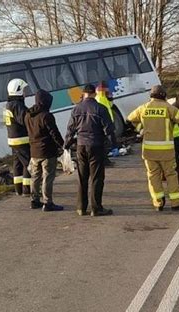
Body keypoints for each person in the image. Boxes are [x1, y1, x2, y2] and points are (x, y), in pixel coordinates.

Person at [127, 85, 179, 211]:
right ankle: (176, 203)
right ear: (163, 95)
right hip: (166, 151)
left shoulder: (144, 108)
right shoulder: (168, 108)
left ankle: (158, 202)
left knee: (153, 176)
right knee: (171, 175)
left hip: (149, 151)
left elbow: (129, 119)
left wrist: (140, 129)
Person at [65, 84, 117, 217]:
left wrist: (66, 145)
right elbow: (108, 129)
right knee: (96, 178)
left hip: (81, 146)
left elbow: (70, 130)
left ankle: (81, 207)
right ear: (94, 94)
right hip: (96, 145)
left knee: (83, 177)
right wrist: (113, 144)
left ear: (84, 94)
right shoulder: (101, 108)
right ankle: (96, 208)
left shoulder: (76, 109)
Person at [25, 89, 65, 212]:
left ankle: (34, 200)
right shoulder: (46, 116)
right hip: (47, 152)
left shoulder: (28, 115)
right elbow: (54, 133)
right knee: (47, 177)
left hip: (34, 151)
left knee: (35, 177)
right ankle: (48, 203)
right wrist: (63, 145)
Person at [4, 78, 31, 196]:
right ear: (18, 90)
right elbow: (25, 120)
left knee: (17, 164)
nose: (25, 92)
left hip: (12, 140)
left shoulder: (8, 105)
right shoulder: (17, 105)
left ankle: (18, 189)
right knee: (28, 163)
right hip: (22, 139)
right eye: (24, 90)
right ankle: (27, 189)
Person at [95, 82, 119, 166]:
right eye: (107, 89)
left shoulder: (103, 97)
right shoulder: (100, 97)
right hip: (105, 122)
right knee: (106, 140)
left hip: (108, 121)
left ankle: (111, 152)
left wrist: (110, 98)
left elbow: (110, 105)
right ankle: (106, 158)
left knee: (110, 138)